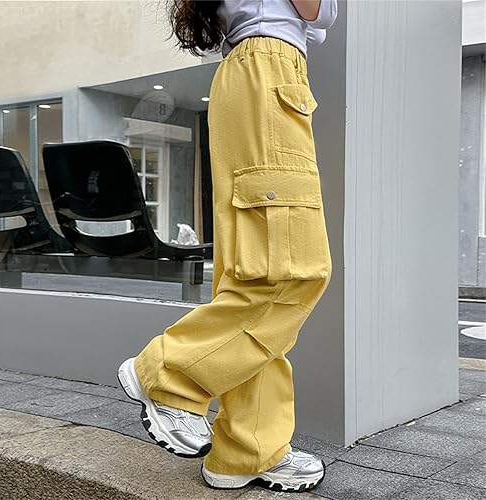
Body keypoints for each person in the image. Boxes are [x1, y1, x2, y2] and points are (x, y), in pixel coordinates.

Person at [117, 0, 337, 493]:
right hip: (269, 70)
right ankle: (169, 375)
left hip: (255, 75)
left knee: (254, 276)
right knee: (291, 272)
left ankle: (246, 451)